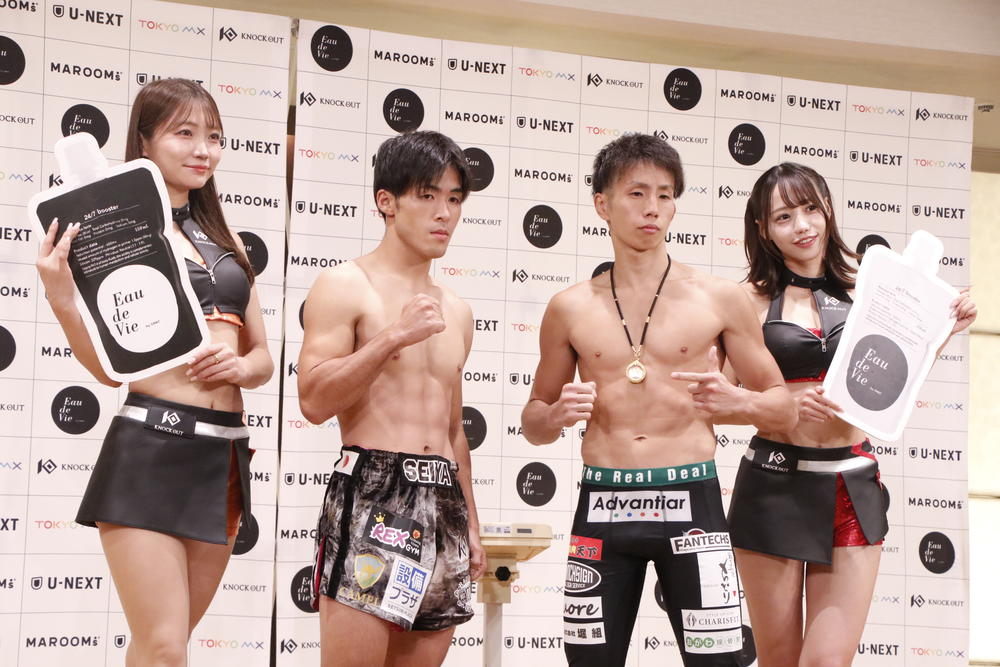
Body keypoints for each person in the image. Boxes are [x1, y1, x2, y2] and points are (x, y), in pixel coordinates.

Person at [521, 133, 797, 667]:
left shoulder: (719, 298)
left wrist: (736, 403)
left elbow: (782, 407)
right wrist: (554, 416)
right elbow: (533, 421)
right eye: (637, 193)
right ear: (602, 204)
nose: (653, 208)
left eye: (665, 195)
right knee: (590, 662)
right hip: (603, 502)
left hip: (692, 500)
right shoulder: (568, 307)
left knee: (719, 662)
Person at [36, 78, 273, 665]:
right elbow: (108, 372)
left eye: (214, 137)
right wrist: (62, 299)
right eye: (184, 134)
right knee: (165, 648)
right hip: (149, 448)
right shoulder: (114, 232)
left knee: (159, 648)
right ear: (144, 142)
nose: (203, 151)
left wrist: (241, 366)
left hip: (223, 457)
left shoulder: (227, 241)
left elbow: (264, 358)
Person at [727, 162, 977, 666]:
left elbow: (893, 380)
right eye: (784, 216)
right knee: (779, 659)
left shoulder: (873, 285)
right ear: (763, 227)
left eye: (810, 209)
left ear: (828, 209)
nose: (802, 226)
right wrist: (779, 404)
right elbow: (717, 400)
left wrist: (942, 331)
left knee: (827, 661)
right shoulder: (746, 301)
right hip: (773, 485)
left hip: (850, 484)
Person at [298, 130, 487, 667]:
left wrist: (471, 523)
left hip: (443, 497)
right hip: (375, 491)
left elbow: (453, 430)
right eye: (427, 196)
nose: (444, 213)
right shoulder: (345, 284)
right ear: (387, 201)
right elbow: (313, 399)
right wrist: (392, 338)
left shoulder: (458, 309)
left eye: (454, 199)